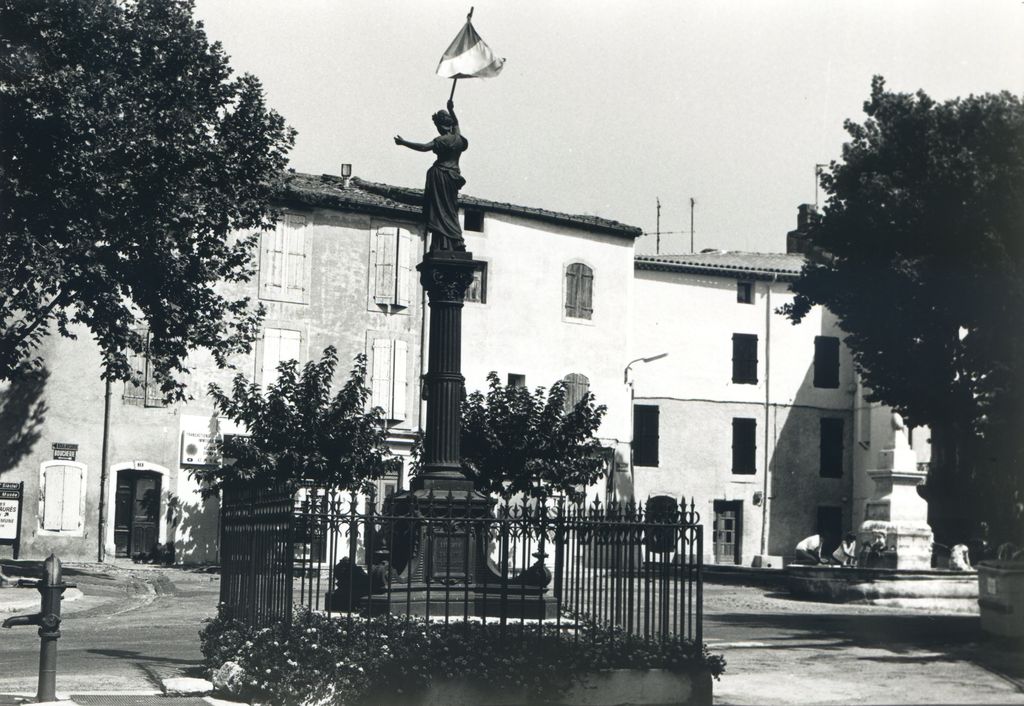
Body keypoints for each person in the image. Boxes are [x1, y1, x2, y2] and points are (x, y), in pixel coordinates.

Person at [394, 99, 469, 253]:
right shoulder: (458, 138)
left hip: (440, 176)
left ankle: (443, 244)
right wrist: (452, 109)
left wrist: (403, 142)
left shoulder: (441, 140)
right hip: (453, 178)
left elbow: (423, 147)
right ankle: (456, 241)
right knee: (450, 210)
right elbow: (456, 124)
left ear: (440, 126)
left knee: (439, 210)